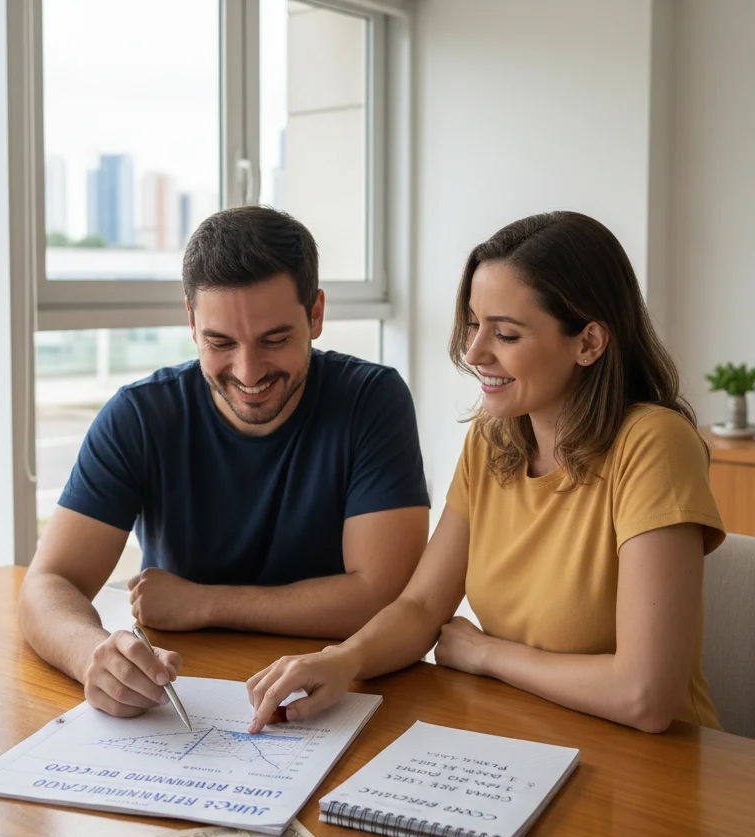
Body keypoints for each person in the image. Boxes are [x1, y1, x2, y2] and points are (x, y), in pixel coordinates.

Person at [247, 211, 725, 735]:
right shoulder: (492, 439)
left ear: (589, 342)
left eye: (506, 334)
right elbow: (423, 605)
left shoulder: (654, 444)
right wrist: (343, 660)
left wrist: (486, 654)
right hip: (527, 736)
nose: (474, 352)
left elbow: (646, 697)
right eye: (475, 324)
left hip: (657, 770)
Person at [19, 206, 430, 718]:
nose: (248, 371)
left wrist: (205, 602)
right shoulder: (140, 415)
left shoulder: (372, 400)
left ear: (317, 314)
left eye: (274, 340)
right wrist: (89, 655)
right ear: (191, 322)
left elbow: (385, 596)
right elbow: (48, 583)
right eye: (220, 342)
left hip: (338, 692)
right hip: (184, 699)